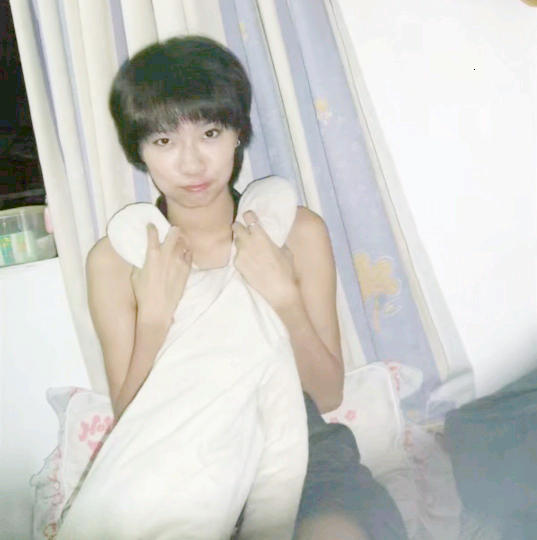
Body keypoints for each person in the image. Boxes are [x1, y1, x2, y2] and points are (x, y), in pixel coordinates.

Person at [84, 36, 406, 540]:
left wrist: (284, 297)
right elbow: (130, 420)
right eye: (164, 141)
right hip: (178, 461)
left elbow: (326, 394)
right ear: (139, 151)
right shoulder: (115, 259)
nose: (191, 164)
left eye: (210, 133)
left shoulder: (296, 231)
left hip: (301, 451)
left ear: (238, 133)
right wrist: (154, 318)